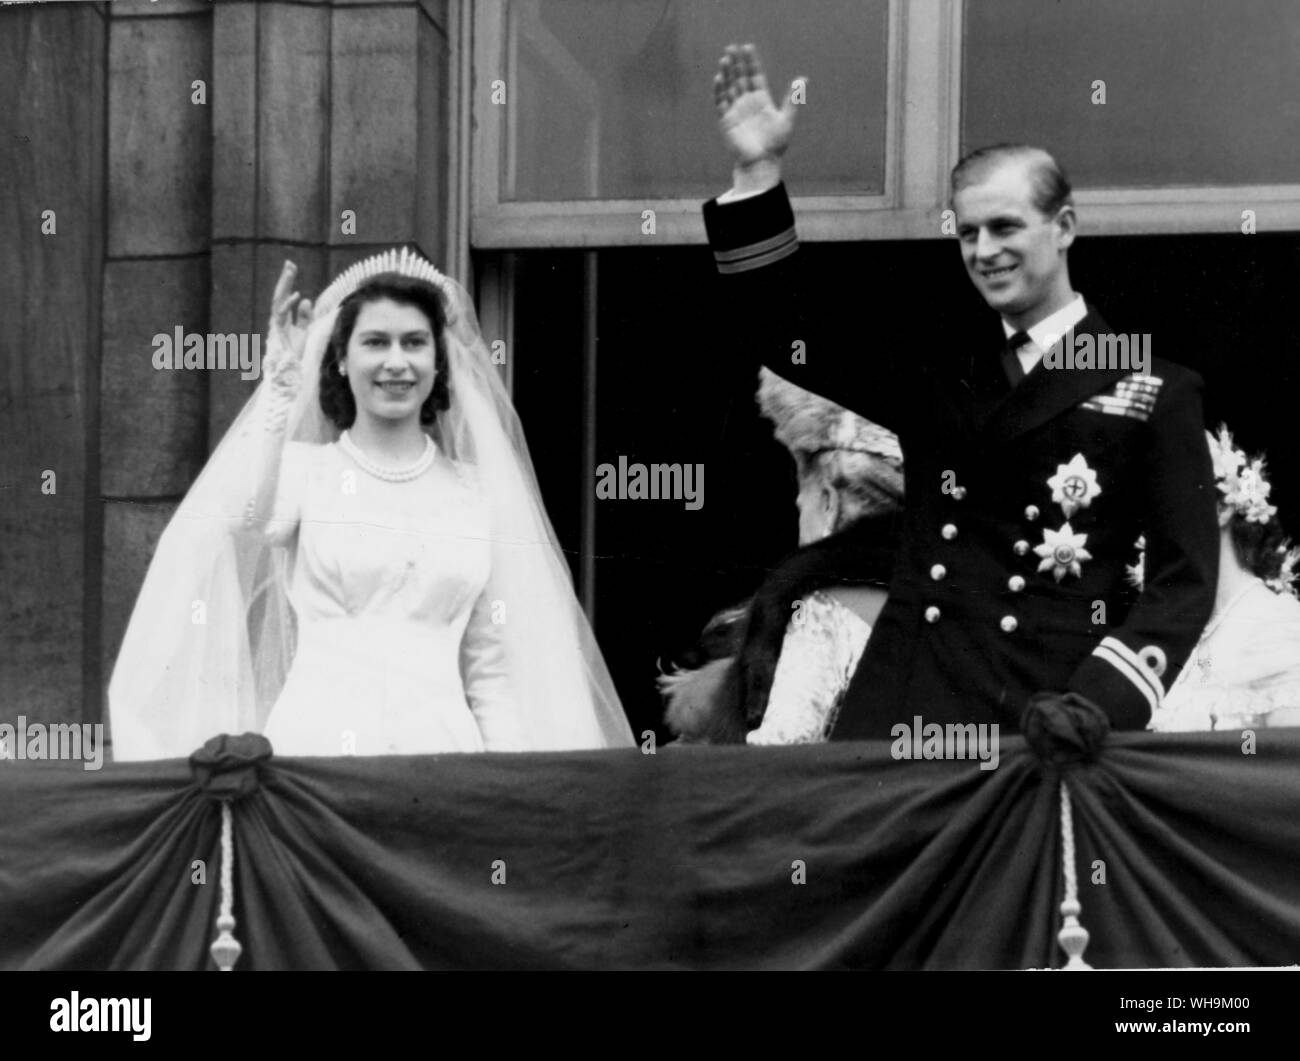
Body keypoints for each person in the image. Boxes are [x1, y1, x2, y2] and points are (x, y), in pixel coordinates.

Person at [702, 44, 1219, 740]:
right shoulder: (942, 372)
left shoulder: (1151, 388)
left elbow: (1182, 585)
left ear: (1063, 227)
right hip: (902, 716)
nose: (984, 251)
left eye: (1006, 227)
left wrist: (1096, 705)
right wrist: (757, 171)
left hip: (1040, 726)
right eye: (968, 232)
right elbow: (784, 331)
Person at [109, 248, 633, 758]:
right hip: (316, 762)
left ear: (438, 360)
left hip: (441, 763)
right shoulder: (304, 473)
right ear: (341, 357)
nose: (396, 362)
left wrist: (503, 787)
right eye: (376, 342)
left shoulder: (476, 495)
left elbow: (490, 668)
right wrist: (281, 383)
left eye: (414, 343)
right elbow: (249, 520)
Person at [660, 368, 902, 744]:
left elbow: (776, 764)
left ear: (827, 500)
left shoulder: (819, 613)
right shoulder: (945, 597)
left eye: (801, 487)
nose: (796, 501)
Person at [1145, 427, 1300, 731]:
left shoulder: (1276, 625)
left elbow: (1286, 765)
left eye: (1170, 504)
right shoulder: (1179, 634)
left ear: (1222, 508)